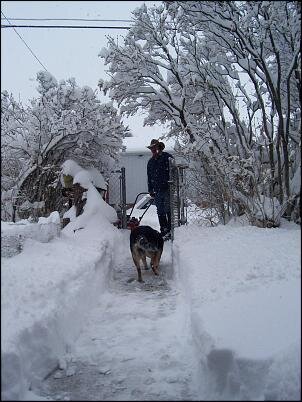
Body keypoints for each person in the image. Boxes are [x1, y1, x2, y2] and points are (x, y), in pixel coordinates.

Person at [147, 139, 173, 240]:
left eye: (155, 148)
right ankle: (164, 230)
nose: (153, 150)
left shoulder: (167, 157)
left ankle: (170, 230)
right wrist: (150, 189)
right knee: (160, 211)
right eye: (151, 149)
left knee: (168, 209)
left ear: (159, 147)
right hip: (157, 190)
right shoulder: (151, 162)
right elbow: (149, 177)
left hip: (167, 188)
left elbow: (173, 171)